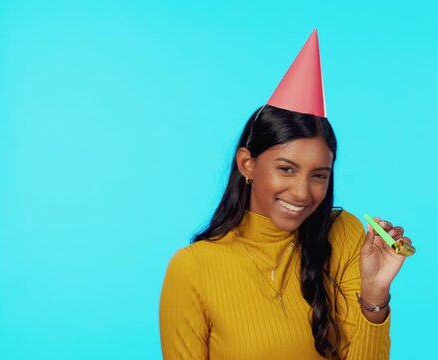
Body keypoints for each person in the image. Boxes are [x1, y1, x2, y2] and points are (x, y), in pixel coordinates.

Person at [159, 29, 413, 360]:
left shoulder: (347, 235)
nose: (302, 192)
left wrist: (374, 294)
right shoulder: (193, 269)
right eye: (286, 169)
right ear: (247, 164)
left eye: (319, 175)